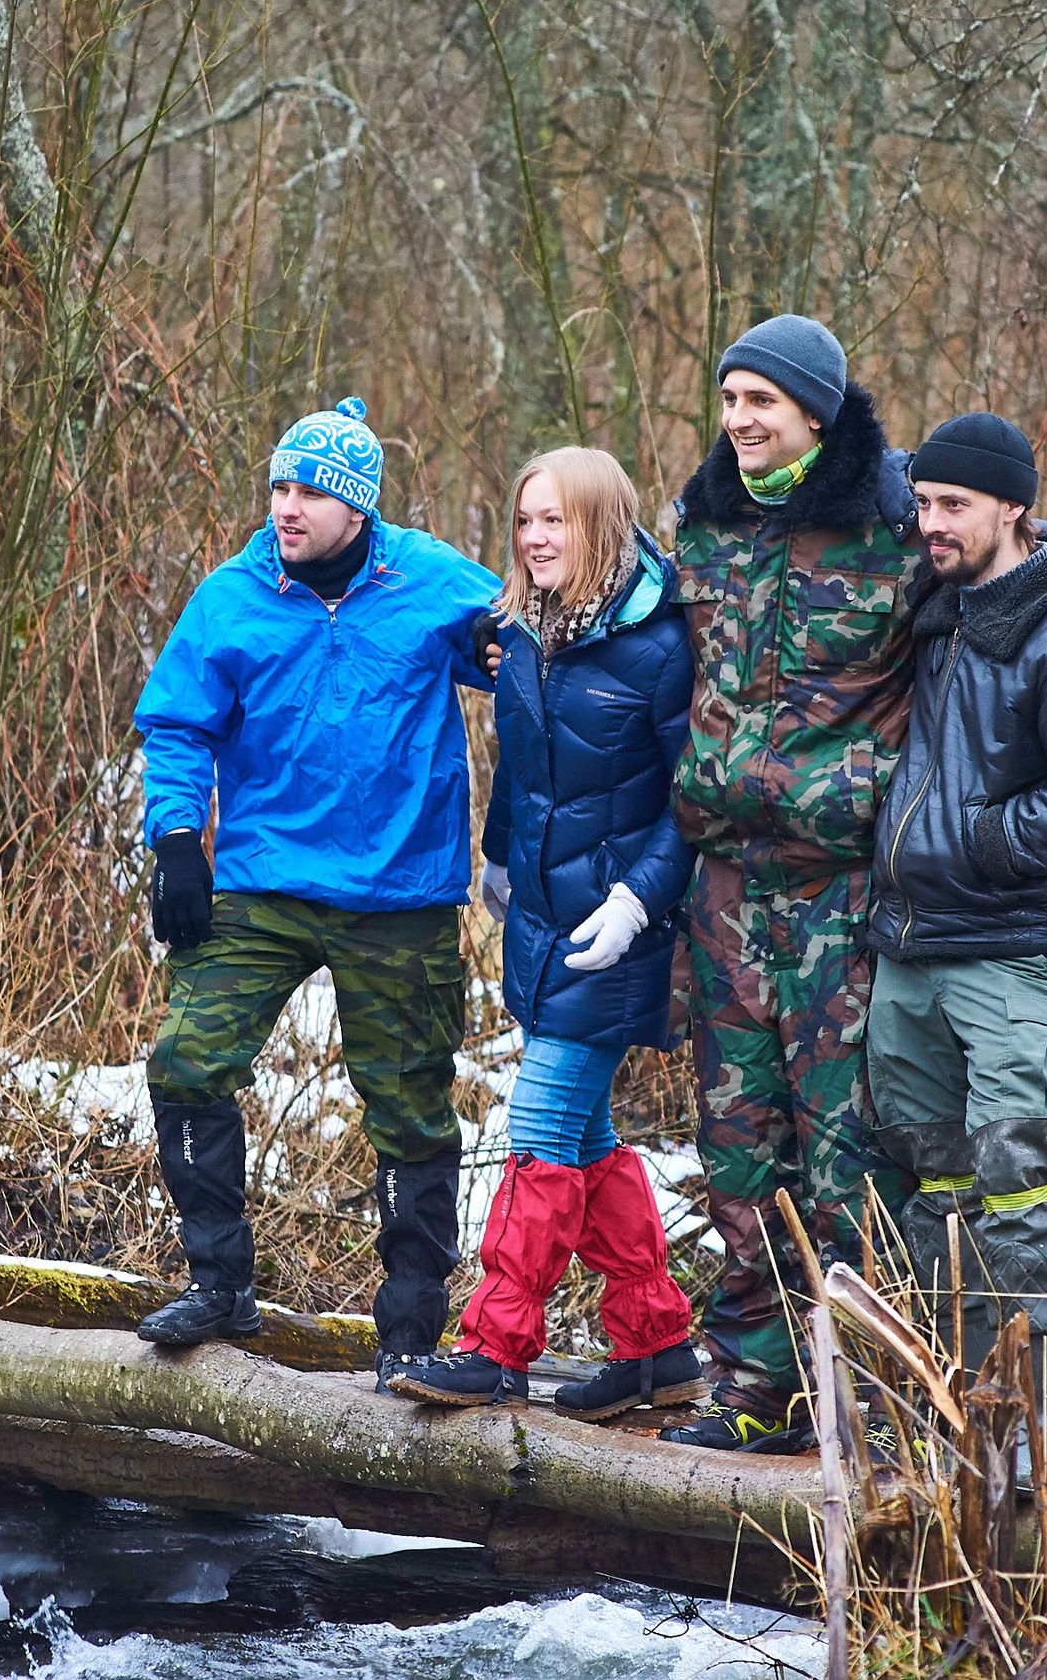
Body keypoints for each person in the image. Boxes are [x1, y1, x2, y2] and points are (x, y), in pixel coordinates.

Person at [658, 313, 1047, 1451]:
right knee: (739, 1153)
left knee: (853, 1158)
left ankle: (871, 1388)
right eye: (729, 397)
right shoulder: (701, 523)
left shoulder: (900, 509)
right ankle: (755, 1384)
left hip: (847, 893)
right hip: (724, 892)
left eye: (764, 400)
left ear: (817, 410)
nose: (741, 420)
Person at [130, 398, 501, 1394]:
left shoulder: (432, 584)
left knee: (410, 1108)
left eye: (310, 491)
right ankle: (220, 1284)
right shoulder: (232, 596)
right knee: (186, 1061)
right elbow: (176, 724)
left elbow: (542, 654)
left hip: (401, 887)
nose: (287, 507)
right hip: (263, 878)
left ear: (356, 506)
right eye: (279, 486)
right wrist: (175, 838)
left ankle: (411, 1328)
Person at [386, 447, 705, 1414]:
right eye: (525, 519)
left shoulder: (660, 644)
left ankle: (495, 1344)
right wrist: (496, 857)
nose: (534, 538)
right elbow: (523, 768)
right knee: (588, 1135)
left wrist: (639, 900)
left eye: (555, 521)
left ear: (601, 525)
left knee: (535, 1132)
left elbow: (694, 802)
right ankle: (656, 1345)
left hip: (621, 928)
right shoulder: (521, 633)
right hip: (540, 919)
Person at [862, 414, 1047, 1396]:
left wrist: (988, 841)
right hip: (910, 951)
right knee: (937, 1196)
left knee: (1022, 1196)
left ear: (1014, 509)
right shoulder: (939, 597)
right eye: (925, 502)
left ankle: (1045, 1444)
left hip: (1007, 954)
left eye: (953, 506)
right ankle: (957, 1412)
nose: (930, 522)